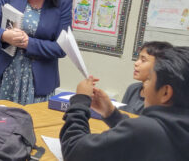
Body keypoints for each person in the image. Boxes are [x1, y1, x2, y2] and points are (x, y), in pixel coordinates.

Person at [59, 47, 189, 161]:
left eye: (149, 79)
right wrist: (111, 113)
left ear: (165, 92)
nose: (145, 85)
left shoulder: (146, 129)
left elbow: (74, 151)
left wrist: (80, 101)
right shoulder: (178, 127)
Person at [120, 41, 172, 114]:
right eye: (138, 58)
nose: (136, 63)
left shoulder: (161, 97)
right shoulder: (132, 88)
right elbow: (121, 116)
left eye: (143, 60)